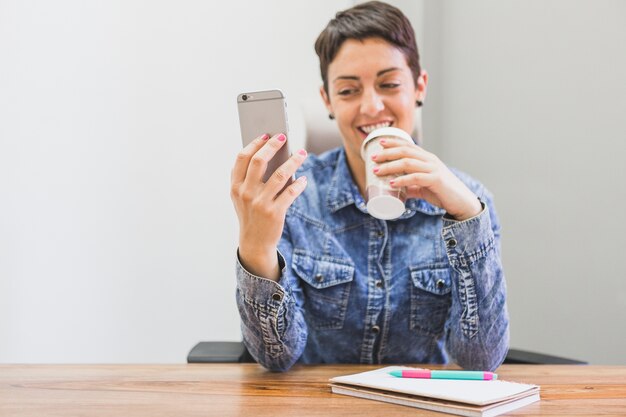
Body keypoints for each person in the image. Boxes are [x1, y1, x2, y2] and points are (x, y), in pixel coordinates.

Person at [230, 1, 509, 372]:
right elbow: (275, 357)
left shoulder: (467, 201)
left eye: (389, 84)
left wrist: (468, 217)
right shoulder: (293, 198)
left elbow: (482, 359)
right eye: (348, 91)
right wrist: (257, 249)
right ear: (327, 100)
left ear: (419, 86)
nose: (372, 106)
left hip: (421, 404)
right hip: (322, 404)